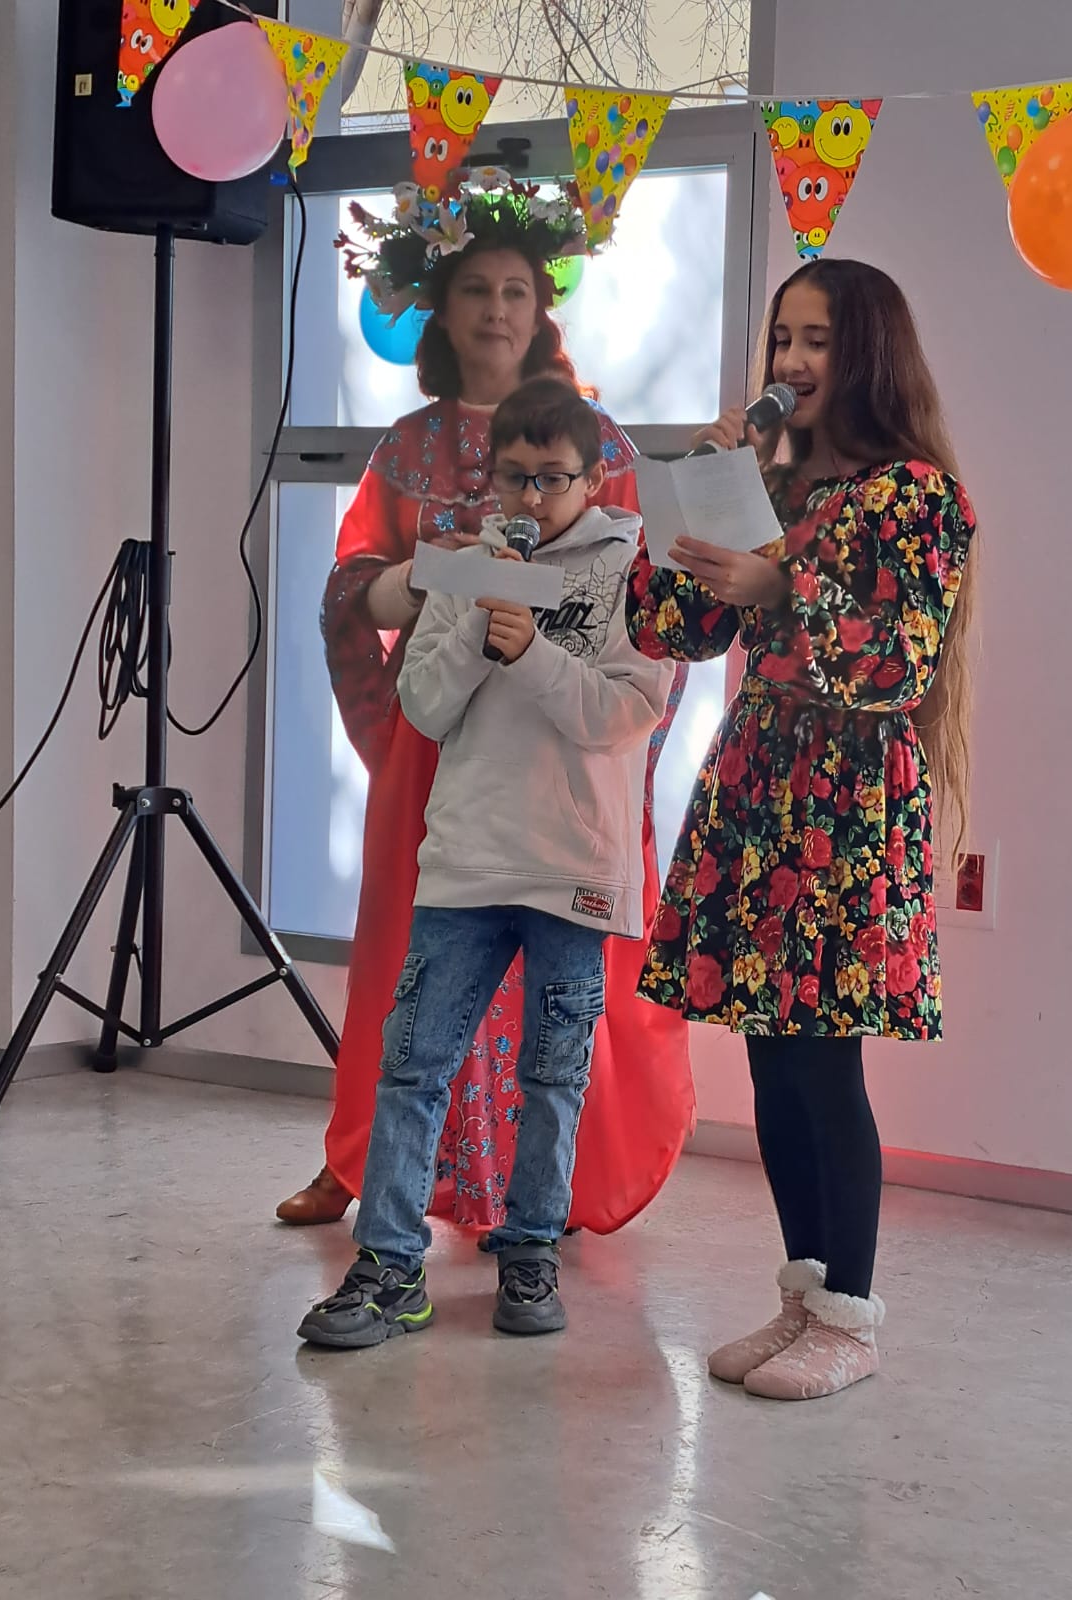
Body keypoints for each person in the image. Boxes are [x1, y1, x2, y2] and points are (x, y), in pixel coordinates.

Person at [277, 174, 693, 1237]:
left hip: (561, 736)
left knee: (556, 974)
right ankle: (364, 1159)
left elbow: (651, 605)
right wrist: (433, 579)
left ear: (540, 308)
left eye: (516, 291)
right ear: (441, 307)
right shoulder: (406, 449)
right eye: (476, 290)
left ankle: (539, 1194)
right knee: (402, 955)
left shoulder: (600, 442)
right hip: (438, 732)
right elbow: (348, 590)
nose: (497, 310)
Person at [626, 258, 978, 1400]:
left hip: (847, 800)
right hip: (758, 784)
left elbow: (899, 659)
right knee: (771, 1055)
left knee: (826, 1061)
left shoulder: (916, 496)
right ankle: (805, 1297)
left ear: (867, 351)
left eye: (817, 339)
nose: (791, 361)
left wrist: (782, 590)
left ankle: (852, 1318)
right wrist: (696, 495)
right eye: (783, 338)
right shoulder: (772, 490)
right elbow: (673, 628)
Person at [298, 377, 676, 1347]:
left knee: (553, 1079)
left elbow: (629, 712)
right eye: (515, 478)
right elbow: (422, 707)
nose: (533, 498)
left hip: (574, 869)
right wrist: (477, 625)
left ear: (593, 481)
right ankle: (389, 1267)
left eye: (554, 478)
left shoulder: (634, 573)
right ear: (493, 482)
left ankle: (531, 1251)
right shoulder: (465, 568)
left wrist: (534, 656)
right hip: (467, 863)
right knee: (413, 1066)